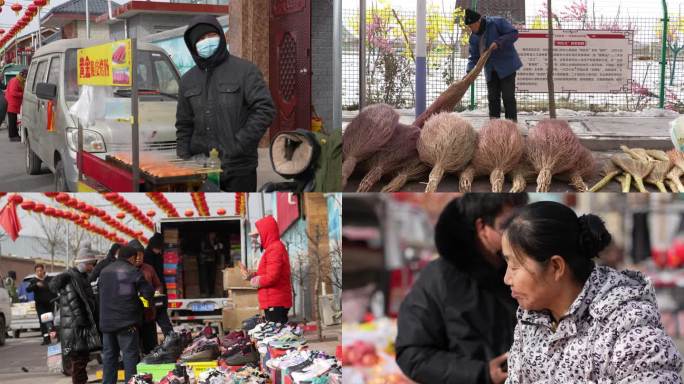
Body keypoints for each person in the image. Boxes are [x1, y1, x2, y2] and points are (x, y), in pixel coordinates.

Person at [502, 201, 683, 382]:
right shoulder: (531, 320)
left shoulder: (628, 323)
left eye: (515, 266)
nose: (507, 279)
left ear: (556, 266)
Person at [395, 194, 529, 384]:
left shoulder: (528, 269)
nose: (518, 234)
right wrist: (483, 373)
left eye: (522, 222)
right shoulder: (439, 278)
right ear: (482, 227)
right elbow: (412, 353)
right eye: (508, 226)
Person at [176, 15, 276, 192]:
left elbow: (265, 109)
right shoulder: (187, 80)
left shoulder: (245, 71)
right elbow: (184, 123)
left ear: (221, 36)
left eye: (210, 35)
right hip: (201, 166)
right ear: (193, 46)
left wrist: (238, 144)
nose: (206, 41)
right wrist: (183, 157)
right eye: (200, 39)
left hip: (239, 167)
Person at [99, 246, 154, 384]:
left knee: (109, 357)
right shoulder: (133, 271)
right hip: (127, 322)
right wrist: (143, 305)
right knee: (129, 356)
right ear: (131, 257)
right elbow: (148, 293)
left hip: (107, 323)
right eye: (135, 258)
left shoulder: (104, 271)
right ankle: (131, 382)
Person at [50, 250, 100, 384]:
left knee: (81, 361)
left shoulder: (80, 276)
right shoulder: (71, 278)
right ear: (83, 263)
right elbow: (74, 302)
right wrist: (82, 320)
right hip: (75, 327)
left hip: (76, 326)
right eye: (91, 264)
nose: (92, 267)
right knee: (78, 361)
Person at [465, 9, 522, 122]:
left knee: (508, 97)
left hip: (507, 67)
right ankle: (494, 127)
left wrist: (498, 42)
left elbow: (514, 33)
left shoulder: (497, 22)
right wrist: (469, 72)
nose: (471, 29)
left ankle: (511, 125)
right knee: (493, 98)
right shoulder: (474, 38)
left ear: (479, 21)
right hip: (490, 70)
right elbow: (473, 57)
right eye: (469, 27)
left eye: (472, 25)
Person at [240, 215, 292, 324]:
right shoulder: (272, 249)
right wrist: (251, 276)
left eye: (257, 235)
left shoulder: (275, 249)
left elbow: (272, 277)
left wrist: (254, 281)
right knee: (273, 335)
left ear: (265, 233)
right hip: (273, 301)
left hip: (276, 302)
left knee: (275, 336)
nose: (256, 239)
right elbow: (265, 273)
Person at [129, 240, 163, 355]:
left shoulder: (149, 269)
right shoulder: (125, 270)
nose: (138, 257)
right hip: (133, 317)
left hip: (148, 313)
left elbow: (158, 285)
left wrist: (157, 292)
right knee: (134, 349)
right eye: (136, 255)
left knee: (151, 346)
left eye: (141, 254)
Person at [143, 233, 174, 337]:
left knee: (162, 318)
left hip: (158, 293)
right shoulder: (147, 258)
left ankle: (171, 338)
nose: (160, 250)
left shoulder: (157, 256)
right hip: (152, 294)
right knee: (157, 319)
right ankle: (170, 338)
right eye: (158, 248)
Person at [27, 263, 57, 345]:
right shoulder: (34, 280)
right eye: (37, 271)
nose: (39, 272)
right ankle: (46, 339)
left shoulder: (49, 279)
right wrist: (36, 285)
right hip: (40, 305)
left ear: (44, 270)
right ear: (35, 272)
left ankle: (53, 338)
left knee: (50, 321)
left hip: (49, 303)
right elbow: (28, 289)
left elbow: (53, 287)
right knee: (43, 321)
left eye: (41, 270)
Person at [5, 69, 27, 142]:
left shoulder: (19, 80)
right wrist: (23, 94)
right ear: (22, 74)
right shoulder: (15, 81)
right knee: (12, 121)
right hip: (11, 104)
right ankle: (12, 136)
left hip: (14, 104)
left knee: (14, 121)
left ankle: (15, 135)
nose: (25, 77)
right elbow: (13, 92)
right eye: (25, 75)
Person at [199, 232, 219, 297]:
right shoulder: (204, 241)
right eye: (212, 234)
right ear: (209, 234)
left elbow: (218, 250)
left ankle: (211, 292)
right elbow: (202, 250)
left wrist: (218, 247)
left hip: (212, 262)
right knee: (204, 277)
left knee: (212, 277)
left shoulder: (215, 241)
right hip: (205, 262)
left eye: (214, 234)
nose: (213, 235)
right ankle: (203, 292)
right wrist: (212, 249)